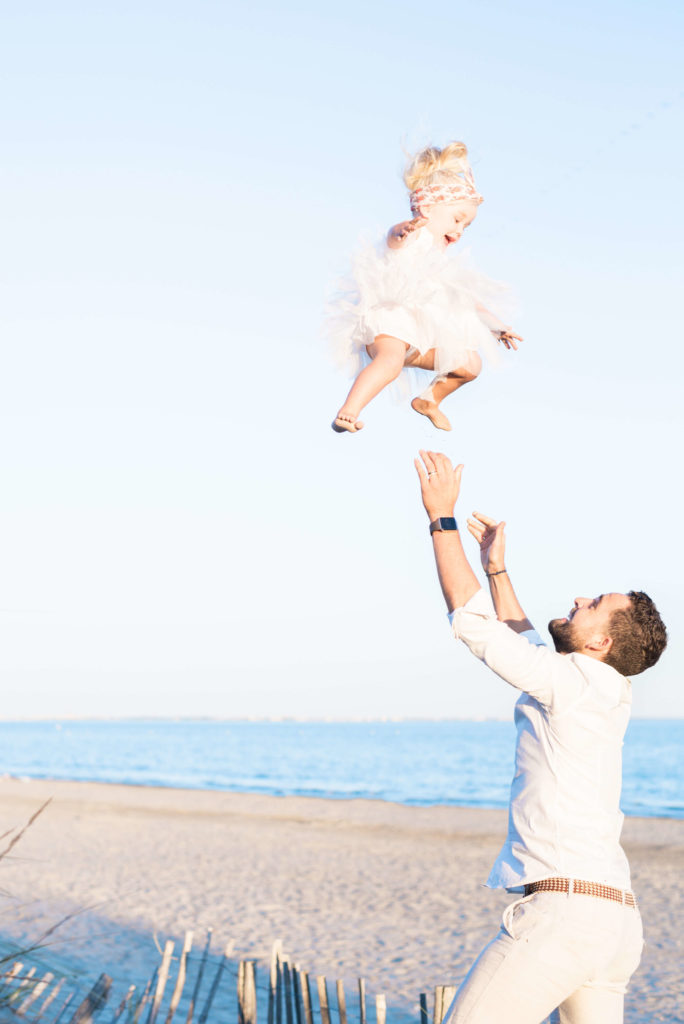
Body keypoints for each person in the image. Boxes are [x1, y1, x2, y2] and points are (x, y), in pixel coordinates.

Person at [414, 449, 668, 1024]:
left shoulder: (578, 682)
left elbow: (474, 626)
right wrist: (496, 569)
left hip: (564, 916)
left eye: (595, 605)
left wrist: (441, 518)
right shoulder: (597, 688)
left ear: (601, 643)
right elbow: (527, 647)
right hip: (615, 923)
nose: (579, 598)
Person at [328, 142, 523, 434]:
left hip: (419, 339)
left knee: (470, 364)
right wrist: (402, 231)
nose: (459, 231)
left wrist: (496, 326)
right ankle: (349, 410)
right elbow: (393, 238)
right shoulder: (412, 235)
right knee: (391, 362)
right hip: (390, 325)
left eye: (466, 227)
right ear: (429, 208)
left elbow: (466, 299)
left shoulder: (442, 264)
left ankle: (429, 401)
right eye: (457, 220)